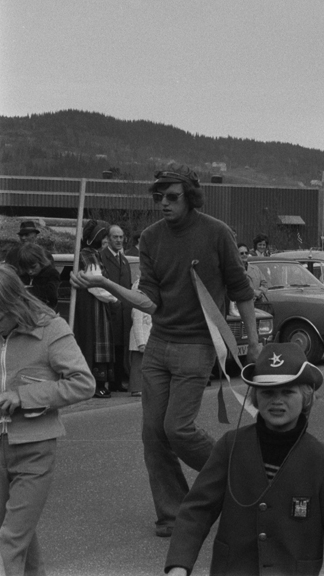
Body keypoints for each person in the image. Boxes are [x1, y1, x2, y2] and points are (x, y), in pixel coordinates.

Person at [71, 165, 260, 538]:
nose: (163, 204)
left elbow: (242, 291)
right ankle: (173, 515)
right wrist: (103, 281)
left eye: (171, 196)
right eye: (158, 197)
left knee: (178, 428)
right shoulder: (152, 238)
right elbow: (150, 302)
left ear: (190, 196)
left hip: (198, 344)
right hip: (158, 344)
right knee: (153, 434)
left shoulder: (217, 233)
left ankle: (240, 475)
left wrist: (253, 342)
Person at [164, 342, 324, 575]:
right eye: (267, 392)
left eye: (288, 392)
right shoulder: (230, 446)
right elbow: (197, 510)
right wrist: (178, 565)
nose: (277, 400)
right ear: (256, 397)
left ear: (306, 397)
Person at [0, 264, 96, 576]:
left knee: (8, 540)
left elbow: (83, 383)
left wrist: (22, 396)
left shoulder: (51, 329)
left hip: (34, 448)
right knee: (15, 533)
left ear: (15, 303)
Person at [74, 220, 118, 399]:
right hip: (92, 305)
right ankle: (94, 384)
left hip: (97, 304)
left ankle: (100, 383)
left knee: (98, 341)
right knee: (94, 341)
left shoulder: (93, 254)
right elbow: (96, 285)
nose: (106, 240)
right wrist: (116, 297)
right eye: (105, 237)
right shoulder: (88, 256)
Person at [100, 224, 133, 392]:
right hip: (108, 311)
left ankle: (117, 382)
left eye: (121, 237)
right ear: (108, 238)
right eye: (115, 237)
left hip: (123, 313)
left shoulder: (125, 260)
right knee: (109, 348)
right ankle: (106, 381)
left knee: (120, 347)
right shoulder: (102, 258)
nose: (119, 240)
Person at [11, 243, 59, 310]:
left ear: (41, 261)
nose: (30, 271)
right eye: (26, 268)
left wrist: (28, 290)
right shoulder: (23, 276)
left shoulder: (51, 274)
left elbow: (51, 293)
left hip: (46, 312)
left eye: (33, 267)